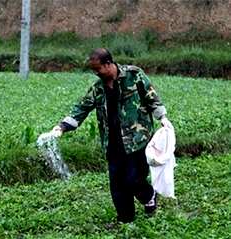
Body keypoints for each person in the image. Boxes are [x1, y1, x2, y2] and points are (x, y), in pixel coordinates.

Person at [51, 48, 173, 223]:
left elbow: (151, 96)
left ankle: (149, 195)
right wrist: (61, 127)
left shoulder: (134, 75)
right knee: (117, 186)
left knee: (133, 179)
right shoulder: (98, 89)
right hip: (112, 143)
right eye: (93, 70)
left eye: (98, 68)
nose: (96, 73)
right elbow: (81, 108)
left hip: (137, 140)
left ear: (108, 64)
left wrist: (162, 117)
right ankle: (125, 219)